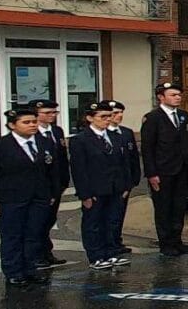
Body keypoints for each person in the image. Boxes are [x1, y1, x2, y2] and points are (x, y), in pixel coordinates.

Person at [0, 108, 61, 287]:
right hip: (10, 199)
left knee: (33, 235)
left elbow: (53, 171)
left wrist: (53, 193)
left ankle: (30, 270)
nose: (32, 125)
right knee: (12, 237)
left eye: (34, 122)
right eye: (26, 122)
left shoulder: (45, 142)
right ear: (12, 125)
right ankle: (14, 272)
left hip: (39, 198)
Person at [69, 102, 132, 270]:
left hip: (116, 188)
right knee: (94, 223)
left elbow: (123, 163)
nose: (107, 120)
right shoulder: (80, 140)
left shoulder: (116, 137)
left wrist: (126, 186)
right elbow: (79, 170)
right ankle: (96, 255)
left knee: (112, 221)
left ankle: (111, 252)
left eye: (109, 116)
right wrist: (85, 194)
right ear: (90, 118)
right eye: (102, 117)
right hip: (95, 190)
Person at [140, 82, 188, 257]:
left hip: (181, 169)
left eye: (178, 94)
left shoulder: (184, 116)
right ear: (161, 97)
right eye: (173, 94)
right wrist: (151, 173)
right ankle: (166, 244)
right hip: (163, 170)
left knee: (179, 207)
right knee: (164, 208)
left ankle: (177, 241)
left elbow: (187, 144)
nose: (177, 97)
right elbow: (147, 148)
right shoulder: (152, 118)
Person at [31, 99, 68, 270]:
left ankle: (47, 252)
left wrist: (63, 181)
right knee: (38, 221)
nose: (52, 116)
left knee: (50, 219)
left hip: (57, 182)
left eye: (54, 112)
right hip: (40, 184)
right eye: (47, 113)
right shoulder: (31, 132)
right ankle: (36, 254)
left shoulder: (57, 131)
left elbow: (61, 158)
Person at [106, 101, 140, 255]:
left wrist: (134, 179)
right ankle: (109, 244)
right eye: (114, 113)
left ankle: (116, 242)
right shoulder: (103, 134)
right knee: (108, 217)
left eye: (120, 113)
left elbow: (132, 158)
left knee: (119, 214)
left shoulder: (126, 132)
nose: (118, 116)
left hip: (125, 182)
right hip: (109, 183)